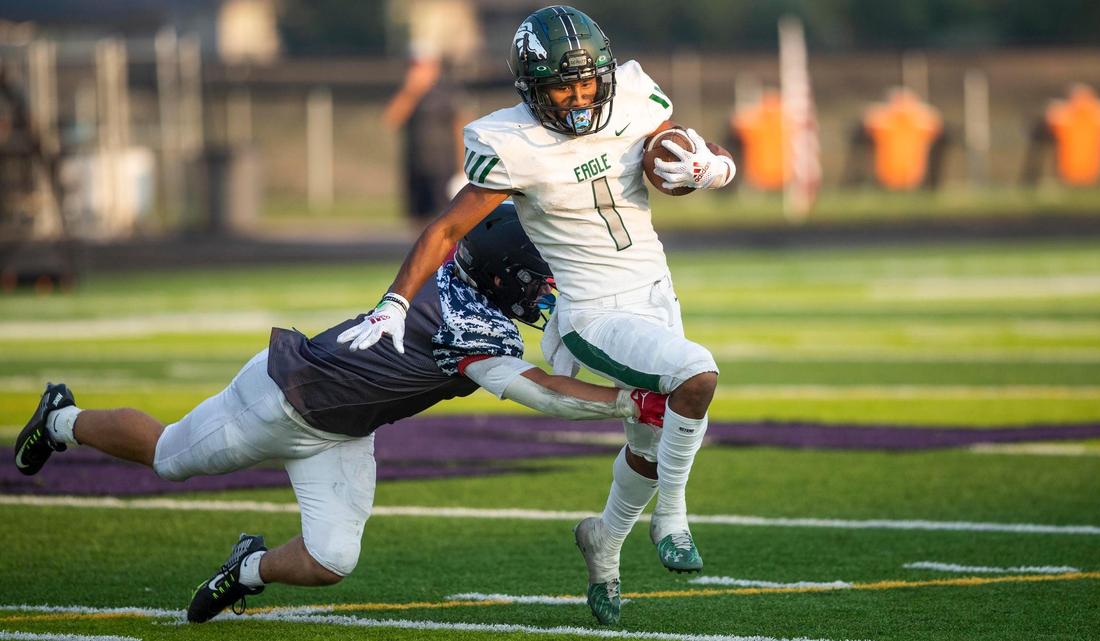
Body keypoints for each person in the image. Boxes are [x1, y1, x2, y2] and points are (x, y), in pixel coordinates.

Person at [13, 203, 668, 624]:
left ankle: (246, 568)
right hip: (281, 398)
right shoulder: (472, 326)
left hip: (343, 431)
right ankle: (61, 419)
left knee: (331, 559)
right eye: (539, 275)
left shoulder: (460, 277)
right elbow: (543, 393)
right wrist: (631, 402)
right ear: (502, 276)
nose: (549, 286)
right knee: (168, 457)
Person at [333, 5, 736, 625]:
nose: (579, 98)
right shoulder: (511, 142)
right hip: (593, 313)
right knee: (697, 374)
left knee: (651, 439)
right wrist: (396, 299)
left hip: (658, 294)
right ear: (532, 89)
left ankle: (603, 541)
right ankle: (672, 517)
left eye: (587, 83)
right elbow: (446, 230)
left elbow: (687, 149)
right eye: (562, 87)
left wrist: (713, 169)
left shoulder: (633, 94)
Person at [383, 54, 469, 227]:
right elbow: (391, 119)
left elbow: (461, 129)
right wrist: (411, 91)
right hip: (416, 165)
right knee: (417, 218)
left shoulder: (448, 92)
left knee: (443, 218)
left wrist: (462, 167)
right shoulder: (409, 93)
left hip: (443, 167)